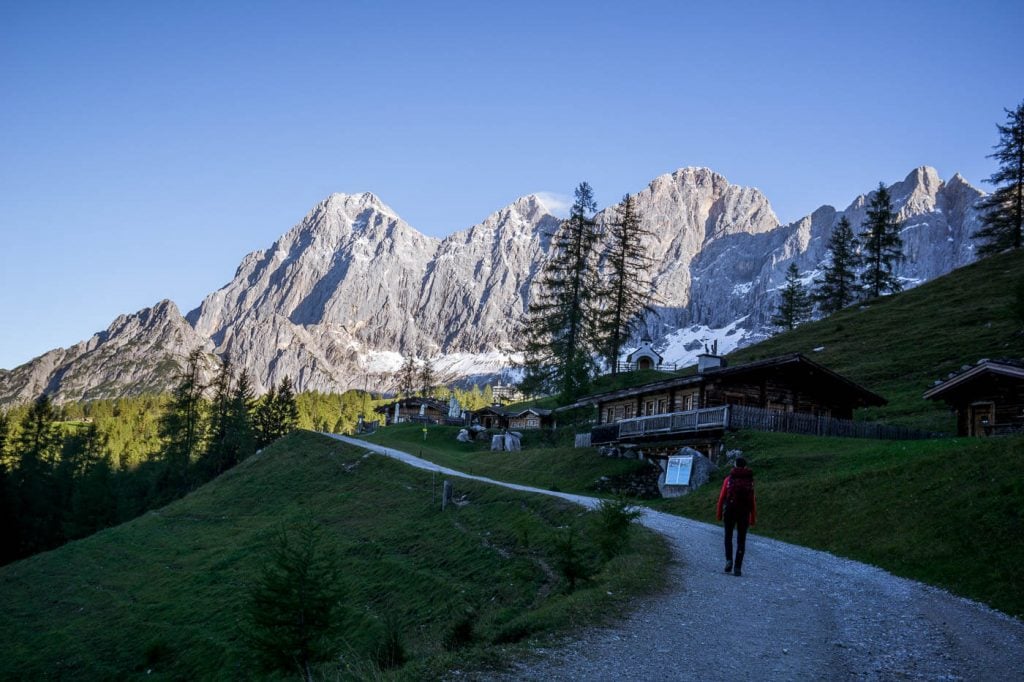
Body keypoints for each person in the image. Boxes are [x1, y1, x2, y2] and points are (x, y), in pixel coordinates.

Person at [716, 456, 757, 577]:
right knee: (741, 539)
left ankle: (729, 560)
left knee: (728, 536)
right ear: (745, 466)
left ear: (735, 465)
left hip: (730, 510)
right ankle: (738, 567)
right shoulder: (750, 480)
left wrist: (719, 513)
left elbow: (722, 497)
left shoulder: (729, 479)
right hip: (744, 512)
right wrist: (753, 517)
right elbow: (752, 500)